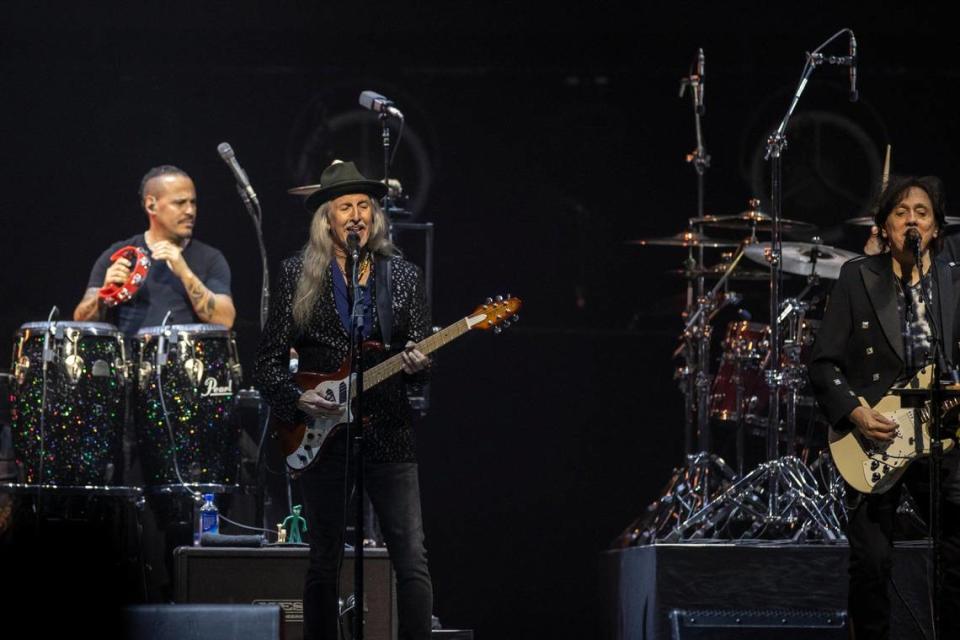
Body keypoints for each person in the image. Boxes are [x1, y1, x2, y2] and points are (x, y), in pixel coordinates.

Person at [254, 160, 433, 640]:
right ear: (327, 219)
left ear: (375, 217)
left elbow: (417, 361)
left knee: (411, 559)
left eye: (363, 206)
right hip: (323, 437)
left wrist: (419, 365)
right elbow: (267, 364)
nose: (355, 215)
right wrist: (299, 398)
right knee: (324, 560)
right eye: (344, 207)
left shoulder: (404, 278)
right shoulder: (296, 273)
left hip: (388, 432)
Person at [810, 175, 960, 638]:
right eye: (901, 212)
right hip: (877, 434)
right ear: (885, 225)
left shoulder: (954, 277)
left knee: (955, 556)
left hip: (945, 430)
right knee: (872, 563)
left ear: (935, 228)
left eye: (922, 212)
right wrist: (855, 411)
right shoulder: (859, 276)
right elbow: (823, 364)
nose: (911, 219)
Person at [73, 164, 235, 333]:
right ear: (151, 206)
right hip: (129, 359)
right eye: (180, 203)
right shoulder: (121, 255)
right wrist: (104, 293)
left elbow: (226, 320)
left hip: (191, 359)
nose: (190, 211)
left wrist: (185, 273)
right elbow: (81, 323)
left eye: (193, 203)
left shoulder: (210, 258)